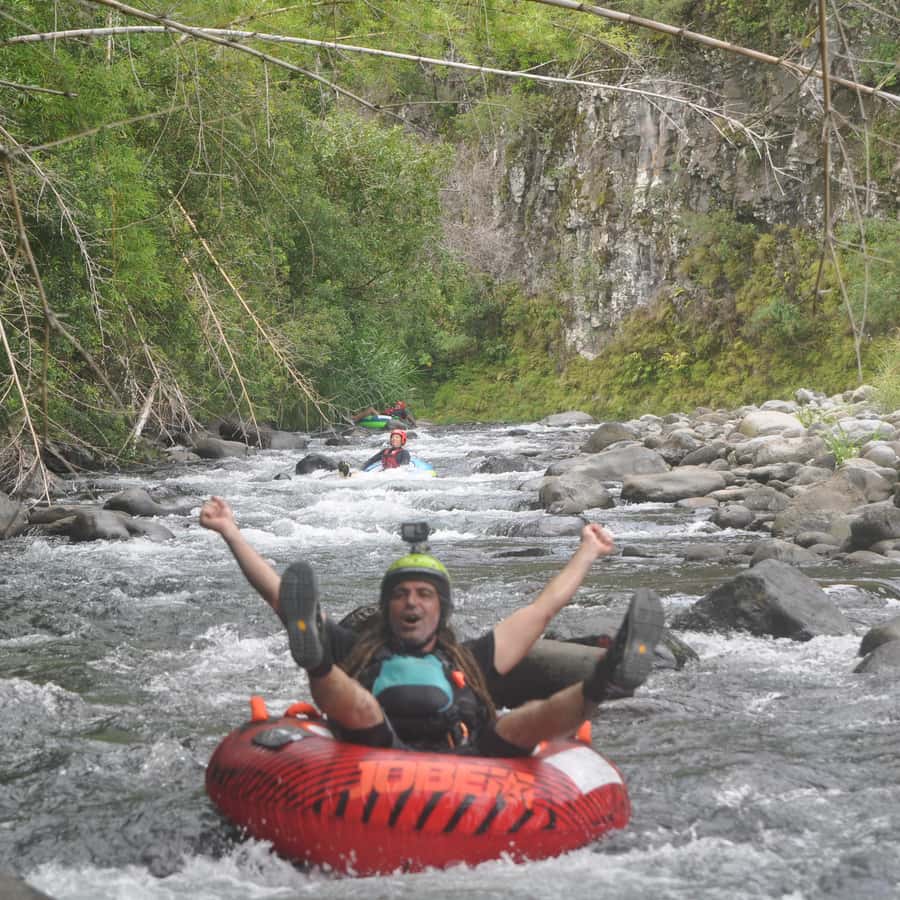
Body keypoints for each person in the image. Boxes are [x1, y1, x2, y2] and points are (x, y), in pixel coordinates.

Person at [199, 498, 665, 757]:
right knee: (358, 705)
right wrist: (231, 532)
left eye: (424, 595)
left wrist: (587, 551)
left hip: (467, 751)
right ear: (386, 607)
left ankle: (608, 679)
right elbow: (281, 598)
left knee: (526, 722)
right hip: (377, 742)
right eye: (401, 595)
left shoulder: (470, 658)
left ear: (441, 610)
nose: (412, 603)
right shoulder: (359, 648)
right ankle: (314, 659)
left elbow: (542, 611)